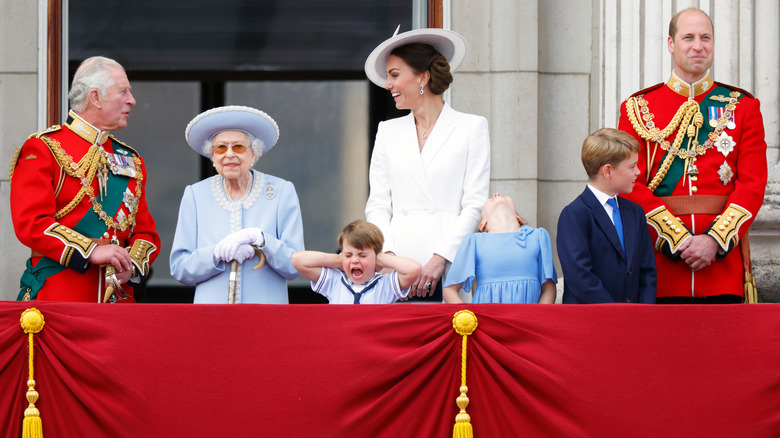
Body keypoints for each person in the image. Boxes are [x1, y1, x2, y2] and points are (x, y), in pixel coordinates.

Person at [617, 8, 767, 303]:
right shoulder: (637, 107)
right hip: (660, 268)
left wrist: (715, 240)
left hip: (722, 269)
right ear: (671, 44)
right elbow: (628, 184)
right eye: (688, 37)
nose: (698, 46)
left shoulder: (743, 107)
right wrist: (677, 239)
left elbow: (752, 184)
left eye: (705, 38)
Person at [9, 56, 160, 303]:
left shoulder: (131, 159)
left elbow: (146, 233)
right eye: (123, 92)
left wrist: (131, 265)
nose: (132, 100)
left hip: (118, 302)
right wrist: (91, 251)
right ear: (95, 97)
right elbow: (31, 223)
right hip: (59, 298)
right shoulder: (44, 148)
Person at [364, 28, 490, 302]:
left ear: (423, 77)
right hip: (396, 270)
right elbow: (377, 205)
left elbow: (475, 203)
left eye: (394, 75)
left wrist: (440, 258)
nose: (388, 85)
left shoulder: (471, 127)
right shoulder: (387, 131)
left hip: (450, 267)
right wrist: (391, 258)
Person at [170, 106, 304, 303]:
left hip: (266, 314)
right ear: (213, 156)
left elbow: (295, 266)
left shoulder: (281, 191)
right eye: (221, 148)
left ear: (253, 154)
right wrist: (215, 253)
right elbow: (180, 268)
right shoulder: (195, 195)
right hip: (211, 317)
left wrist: (261, 240)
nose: (229, 154)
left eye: (239, 147)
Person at [557, 128, 657, 304]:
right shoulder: (574, 214)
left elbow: (647, 271)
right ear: (608, 171)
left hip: (635, 320)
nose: (638, 172)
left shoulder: (635, 212)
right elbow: (580, 276)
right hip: (591, 321)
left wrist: (643, 313)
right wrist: (615, 314)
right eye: (632, 166)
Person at [442, 194, 557, 304]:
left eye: (505, 196)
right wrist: (469, 318)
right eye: (490, 198)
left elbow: (549, 288)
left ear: (518, 219)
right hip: (486, 320)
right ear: (483, 224)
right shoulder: (474, 241)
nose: (497, 194)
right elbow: (449, 290)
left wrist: (537, 318)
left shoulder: (538, 236)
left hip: (527, 319)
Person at [291, 220, 421, 304]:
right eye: (348, 255)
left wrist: (381, 259)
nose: (354, 260)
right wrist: (338, 260)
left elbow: (414, 269)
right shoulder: (334, 282)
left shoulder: (384, 285)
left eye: (362, 255)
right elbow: (298, 260)